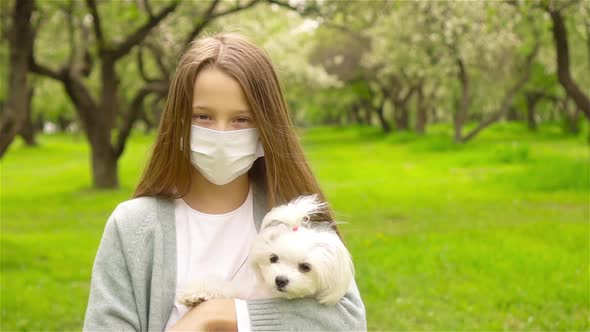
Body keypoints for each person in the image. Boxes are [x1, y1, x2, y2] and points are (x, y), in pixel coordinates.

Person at [82, 32, 366, 331]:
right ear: (177, 120)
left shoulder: (296, 222)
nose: (221, 133)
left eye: (241, 119)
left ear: (265, 127)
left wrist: (217, 315)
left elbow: (347, 321)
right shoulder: (134, 227)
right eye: (202, 116)